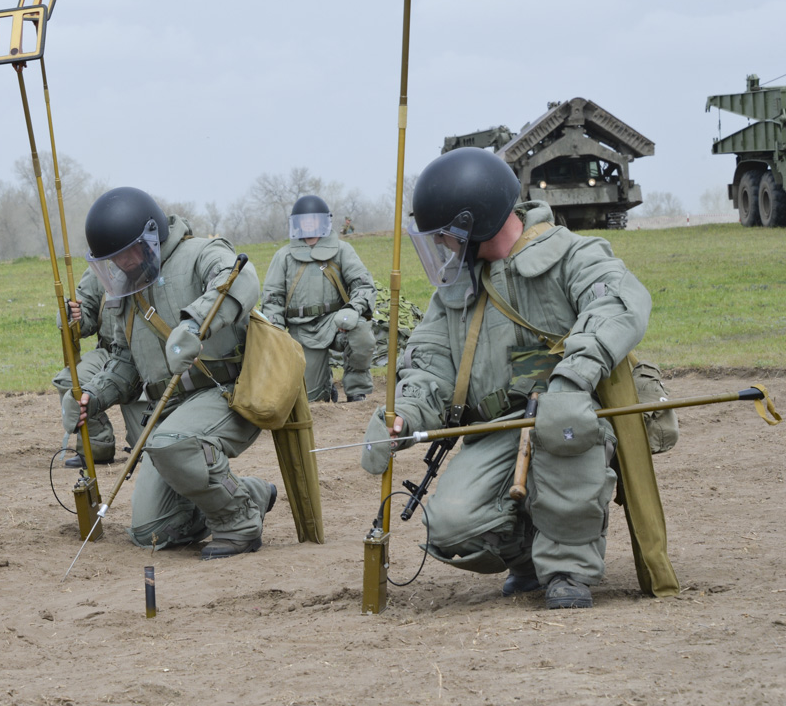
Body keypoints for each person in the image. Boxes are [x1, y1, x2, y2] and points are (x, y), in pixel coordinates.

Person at [360, 147, 652, 610]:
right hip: (497, 427)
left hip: (573, 412)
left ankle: (567, 568)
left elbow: (619, 304)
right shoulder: (455, 288)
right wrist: (405, 414)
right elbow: (429, 363)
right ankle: (530, 559)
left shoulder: (574, 253)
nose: (443, 247)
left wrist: (571, 380)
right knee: (451, 523)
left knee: (562, 428)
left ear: (473, 223)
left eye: (447, 235)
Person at [63, 186, 276, 560]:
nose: (123, 264)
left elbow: (240, 277)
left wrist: (195, 324)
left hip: (227, 392)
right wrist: (93, 397)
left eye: (127, 251)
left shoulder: (200, 253)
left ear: (151, 234)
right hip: (170, 412)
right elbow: (124, 363)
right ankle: (249, 493)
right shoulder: (123, 291)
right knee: (150, 532)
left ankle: (239, 523)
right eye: (113, 259)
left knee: (167, 442)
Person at [260, 195, 376, 403]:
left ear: (324, 222)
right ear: (296, 224)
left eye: (314, 220)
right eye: (304, 220)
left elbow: (364, 285)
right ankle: (326, 386)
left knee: (360, 331)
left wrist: (353, 309)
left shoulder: (342, 250)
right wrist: (276, 331)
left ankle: (356, 391)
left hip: (336, 323)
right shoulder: (284, 256)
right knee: (310, 400)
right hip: (300, 330)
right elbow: (272, 298)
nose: (309, 225)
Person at [52, 266, 144, 468]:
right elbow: (85, 321)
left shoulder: (159, 262)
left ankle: (146, 444)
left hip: (149, 357)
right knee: (71, 381)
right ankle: (97, 446)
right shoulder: (101, 269)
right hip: (111, 353)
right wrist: (72, 314)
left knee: (151, 453)